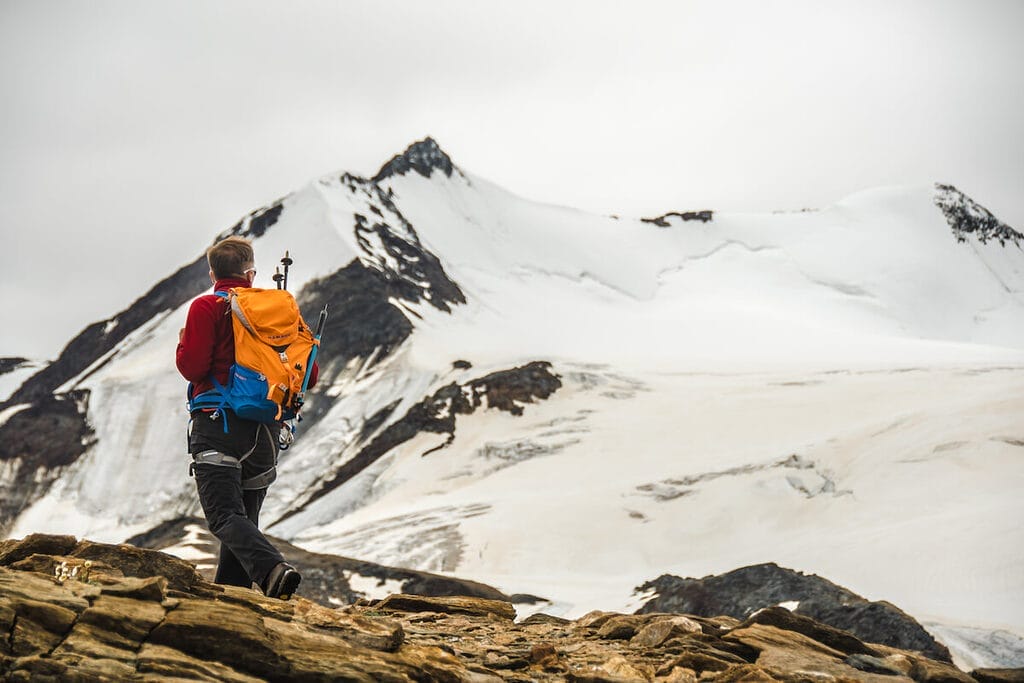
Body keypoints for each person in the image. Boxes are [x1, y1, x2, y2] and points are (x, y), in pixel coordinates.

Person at [176, 236, 316, 599]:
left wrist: (181, 344)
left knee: (223, 516)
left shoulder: (206, 308)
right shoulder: (278, 310)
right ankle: (231, 603)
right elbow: (308, 374)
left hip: (219, 423)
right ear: (250, 273)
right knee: (243, 523)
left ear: (211, 274)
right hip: (267, 430)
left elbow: (193, 367)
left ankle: (273, 570)